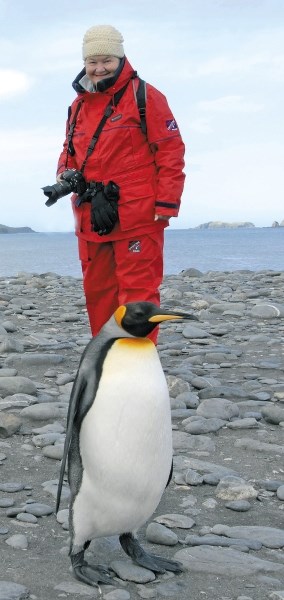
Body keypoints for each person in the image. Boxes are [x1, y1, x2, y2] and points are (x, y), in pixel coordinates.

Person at [56, 24, 185, 343]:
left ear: (121, 58)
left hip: (138, 216)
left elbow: (170, 149)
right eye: (92, 61)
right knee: (98, 292)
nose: (99, 68)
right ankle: (108, 361)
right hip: (91, 216)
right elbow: (69, 151)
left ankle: (139, 367)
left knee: (138, 296)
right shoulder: (77, 106)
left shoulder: (146, 96)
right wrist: (64, 174)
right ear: (85, 63)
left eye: (107, 60)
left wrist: (166, 205)